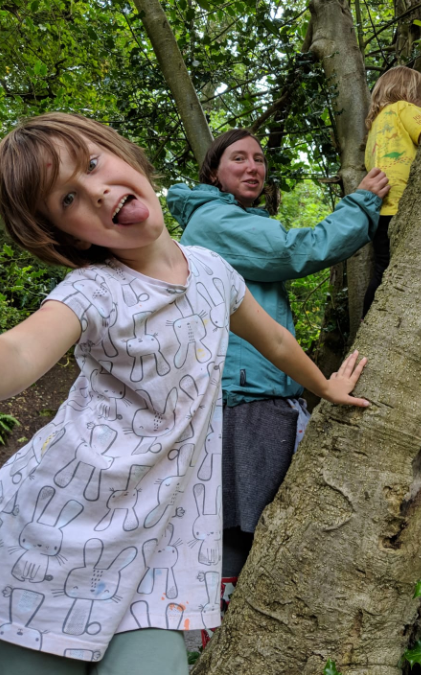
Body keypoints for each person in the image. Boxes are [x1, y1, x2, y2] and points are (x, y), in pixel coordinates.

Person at [0, 113, 370, 675]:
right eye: (69, 198)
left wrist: (324, 386)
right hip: (55, 534)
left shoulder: (214, 271)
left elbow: (271, 336)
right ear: (70, 236)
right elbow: (22, 354)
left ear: (127, 156)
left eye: (95, 164)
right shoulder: (92, 290)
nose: (97, 192)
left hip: (163, 540)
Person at [167, 129, 390, 585]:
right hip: (247, 397)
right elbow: (294, 251)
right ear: (214, 172)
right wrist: (361, 204)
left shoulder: (220, 217)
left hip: (252, 393)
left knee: (246, 522)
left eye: (259, 159)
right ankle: (222, 633)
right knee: (243, 525)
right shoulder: (217, 221)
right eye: (238, 159)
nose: (253, 167)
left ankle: (222, 629)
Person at [362, 66, 421, 316]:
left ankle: (368, 318)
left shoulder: (375, 126)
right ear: (412, 93)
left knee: (383, 267)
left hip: (379, 209)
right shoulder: (406, 109)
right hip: (403, 203)